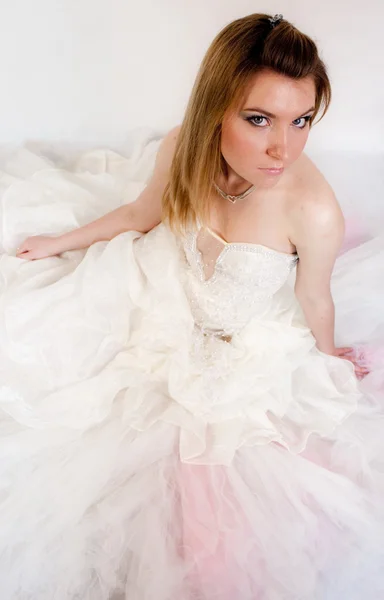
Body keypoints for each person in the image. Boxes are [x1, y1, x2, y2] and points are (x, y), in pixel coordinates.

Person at [1, 11, 384, 600]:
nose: (283, 147)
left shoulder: (312, 210)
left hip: (241, 345)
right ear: (216, 110)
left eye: (302, 120)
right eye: (259, 120)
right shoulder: (186, 146)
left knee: (211, 504)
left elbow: (314, 295)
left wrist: (330, 360)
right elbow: (141, 215)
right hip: (160, 296)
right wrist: (59, 243)